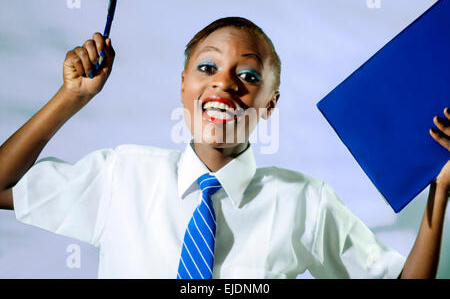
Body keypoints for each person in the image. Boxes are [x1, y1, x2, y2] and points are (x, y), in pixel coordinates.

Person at [0, 17, 448, 279]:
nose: (225, 83)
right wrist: (72, 97)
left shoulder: (305, 203)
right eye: (208, 66)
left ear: (269, 105)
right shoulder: (122, 176)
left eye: (249, 76)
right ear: (183, 85)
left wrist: (441, 190)